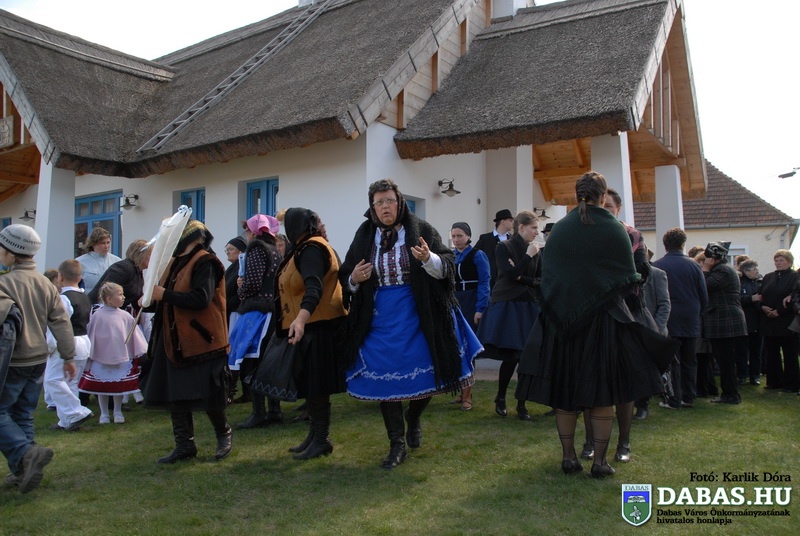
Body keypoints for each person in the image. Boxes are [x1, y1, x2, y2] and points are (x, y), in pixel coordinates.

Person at [517, 172, 669, 479]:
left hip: (561, 323)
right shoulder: (614, 228)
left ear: (576, 196)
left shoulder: (561, 228)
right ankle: (599, 462)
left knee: (565, 393)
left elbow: (549, 276)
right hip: (603, 323)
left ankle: (569, 458)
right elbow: (627, 278)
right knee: (601, 395)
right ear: (602, 197)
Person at [341, 179, 479, 469]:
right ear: (372, 207)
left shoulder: (420, 229)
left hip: (419, 313)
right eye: (379, 202)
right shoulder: (365, 234)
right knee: (385, 378)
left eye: (389, 200)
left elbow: (447, 265)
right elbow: (346, 275)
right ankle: (397, 445)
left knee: (430, 371)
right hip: (379, 318)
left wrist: (429, 259)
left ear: (399, 202)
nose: (385, 207)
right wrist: (354, 279)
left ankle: (413, 417)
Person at [139, 220, 233, 463]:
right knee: (175, 395)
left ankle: (224, 434)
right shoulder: (174, 262)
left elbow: (201, 298)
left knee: (209, 394)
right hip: (173, 340)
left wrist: (164, 294)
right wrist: (149, 300)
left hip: (202, 339)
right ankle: (184, 445)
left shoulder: (206, 262)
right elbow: (167, 300)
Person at [263, 207, 348, 460]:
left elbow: (314, 286)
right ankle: (314, 436)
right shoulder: (304, 247)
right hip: (311, 326)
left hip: (318, 327)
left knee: (318, 385)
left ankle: (322, 439)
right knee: (311, 385)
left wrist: (300, 319)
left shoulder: (312, 249)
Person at [0, 224, 75, 494]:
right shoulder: (46, 283)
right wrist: (68, 355)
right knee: (23, 414)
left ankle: (25, 454)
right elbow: (61, 321)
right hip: (38, 360)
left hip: (13, 360)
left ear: (11, 252)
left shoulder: (4, 283)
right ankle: (23, 471)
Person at [476, 211, 541, 421]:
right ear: (521, 227)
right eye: (533, 228)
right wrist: (527, 258)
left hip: (528, 305)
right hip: (508, 305)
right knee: (512, 356)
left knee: (526, 357)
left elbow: (538, 279)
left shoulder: (536, 250)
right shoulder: (504, 247)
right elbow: (510, 274)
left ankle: (521, 403)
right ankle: (501, 397)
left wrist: (522, 276)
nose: (537, 232)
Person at [233, 215, 283, 429]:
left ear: (253, 231)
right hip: (271, 311)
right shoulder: (274, 250)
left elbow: (253, 283)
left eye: (247, 230)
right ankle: (274, 410)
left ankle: (259, 412)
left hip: (258, 313)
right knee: (268, 361)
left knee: (253, 360)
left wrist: (241, 289)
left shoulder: (256, 250)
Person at [653, 228, 708, 409]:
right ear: (683, 244)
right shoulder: (694, 266)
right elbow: (703, 295)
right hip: (691, 317)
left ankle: (673, 398)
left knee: (671, 361)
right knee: (690, 359)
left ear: (665, 245)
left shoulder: (659, 265)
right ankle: (689, 396)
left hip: (669, 317)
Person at [79, 282, 148, 423]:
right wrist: (91, 352)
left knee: (118, 387)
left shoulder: (125, 316)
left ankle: (117, 411)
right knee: (102, 387)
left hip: (120, 356)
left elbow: (134, 334)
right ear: (109, 298)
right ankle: (104, 413)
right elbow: (91, 334)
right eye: (120, 294)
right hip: (101, 357)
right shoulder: (97, 316)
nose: (124, 297)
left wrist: (137, 349)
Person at [45, 260, 93, 431]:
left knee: (52, 380)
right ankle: (66, 421)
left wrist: (49, 346)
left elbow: (59, 325)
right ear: (80, 277)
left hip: (67, 342)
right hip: (83, 341)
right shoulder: (85, 297)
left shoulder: (64, 299)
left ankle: (76, 411)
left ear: (60, 277)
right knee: (71, 382)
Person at [449, 221, 490, 411]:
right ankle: (461, 391)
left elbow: (484, 282)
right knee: (456, 347)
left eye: (460, 236)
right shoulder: (451, 256)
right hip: (455, 302)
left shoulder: (478, 255)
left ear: (468, 236)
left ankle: (467, 395)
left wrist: (480, 308)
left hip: (471, 302)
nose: (456, 239)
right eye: (453, 236)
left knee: (468, 349)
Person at [701, 242, 748, 404]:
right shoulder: (725, 269)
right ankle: (729, 393)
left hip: (725, 319)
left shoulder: (722, 270)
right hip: (725, 319)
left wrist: (705, 270)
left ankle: (730, 394)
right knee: (725, 359)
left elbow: (705, 285)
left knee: (725, 360)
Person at [759, 249, 799, 392]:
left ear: (789, 261)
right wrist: (763, 307)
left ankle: (792, 384)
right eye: (776, 260)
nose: (778, 263)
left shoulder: (795, 277)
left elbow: (794, 296)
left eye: (781, 260)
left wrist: (779, 311)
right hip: (769, 320)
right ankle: (774, 381)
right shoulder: (768, 277)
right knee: (772, 352)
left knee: (789, 353)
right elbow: (760, 294)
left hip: (786, 320)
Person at [88, 239, 153, 314]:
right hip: (101, 313)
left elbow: (136, 303)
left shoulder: (137, 272)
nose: (153, 258)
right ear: (141, 255)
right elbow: (106, 292)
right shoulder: (124, 268)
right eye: (150, 255)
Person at [223, 236, 247, 403]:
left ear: (240, 251)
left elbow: (238, 294)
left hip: (237, 314)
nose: (228, 252)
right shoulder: (231, 268)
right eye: (227, 249)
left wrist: (226, 304)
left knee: (235, 352)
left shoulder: (241, 268)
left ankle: (231, 390)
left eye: (231, 249)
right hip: (230, 312)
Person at [738, 259, 763, 385]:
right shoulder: (739, 283)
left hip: (758, 322)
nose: (757, 271)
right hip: (743, 321)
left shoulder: (760, 282)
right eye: (754, 269)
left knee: (756, 351)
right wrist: (750, 299)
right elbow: (736, 299)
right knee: (741, 351)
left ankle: (755, 376)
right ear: (746, 271)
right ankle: (742, 375)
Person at [474, 209, 514, 288]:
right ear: (503, 221)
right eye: (510, 220)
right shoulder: (485, 238)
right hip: (491, 281)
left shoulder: (513, 239)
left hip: (509, 280)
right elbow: (474, 254)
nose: (512, 223)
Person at [76, 227, 122, 294]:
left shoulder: (117, 261)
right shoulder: (80, 262)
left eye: (108, 242)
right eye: (103, 243)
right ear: (93, 244)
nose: (106, 246)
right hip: (89, 298)